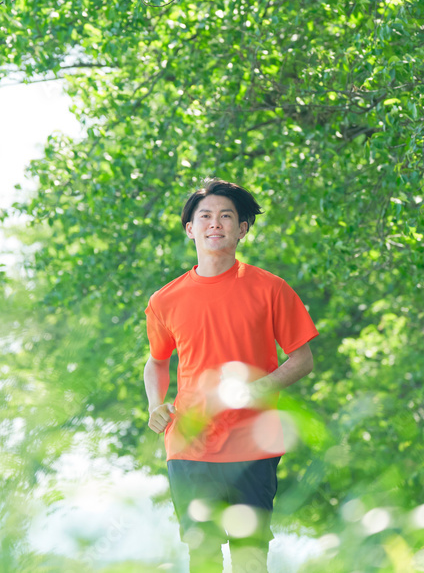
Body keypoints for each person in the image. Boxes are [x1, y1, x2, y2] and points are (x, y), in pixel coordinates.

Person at [144, 178, 318, 573]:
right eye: (204, 216)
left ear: (242, 229)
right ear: (190, 229)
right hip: (189, 441)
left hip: (253, 440)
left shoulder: (271, 289)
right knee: (201, 553)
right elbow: (156, 361)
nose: (215, 224)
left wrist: (261, 387)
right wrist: (156, 404)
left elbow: (302, 358)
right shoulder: (165, 299)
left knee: (250, 553)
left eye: (226, 217)